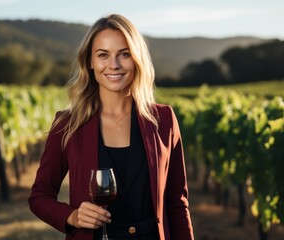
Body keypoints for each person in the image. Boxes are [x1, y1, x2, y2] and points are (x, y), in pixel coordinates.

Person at [28, 14, 194, 240]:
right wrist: (73, 216)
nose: (114, 65)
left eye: (124, 54)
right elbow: (39, 196)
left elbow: (177, 203)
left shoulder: (164, 119)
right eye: (103, 55)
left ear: (137, 59)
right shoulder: (68, 124)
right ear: (90, 61)